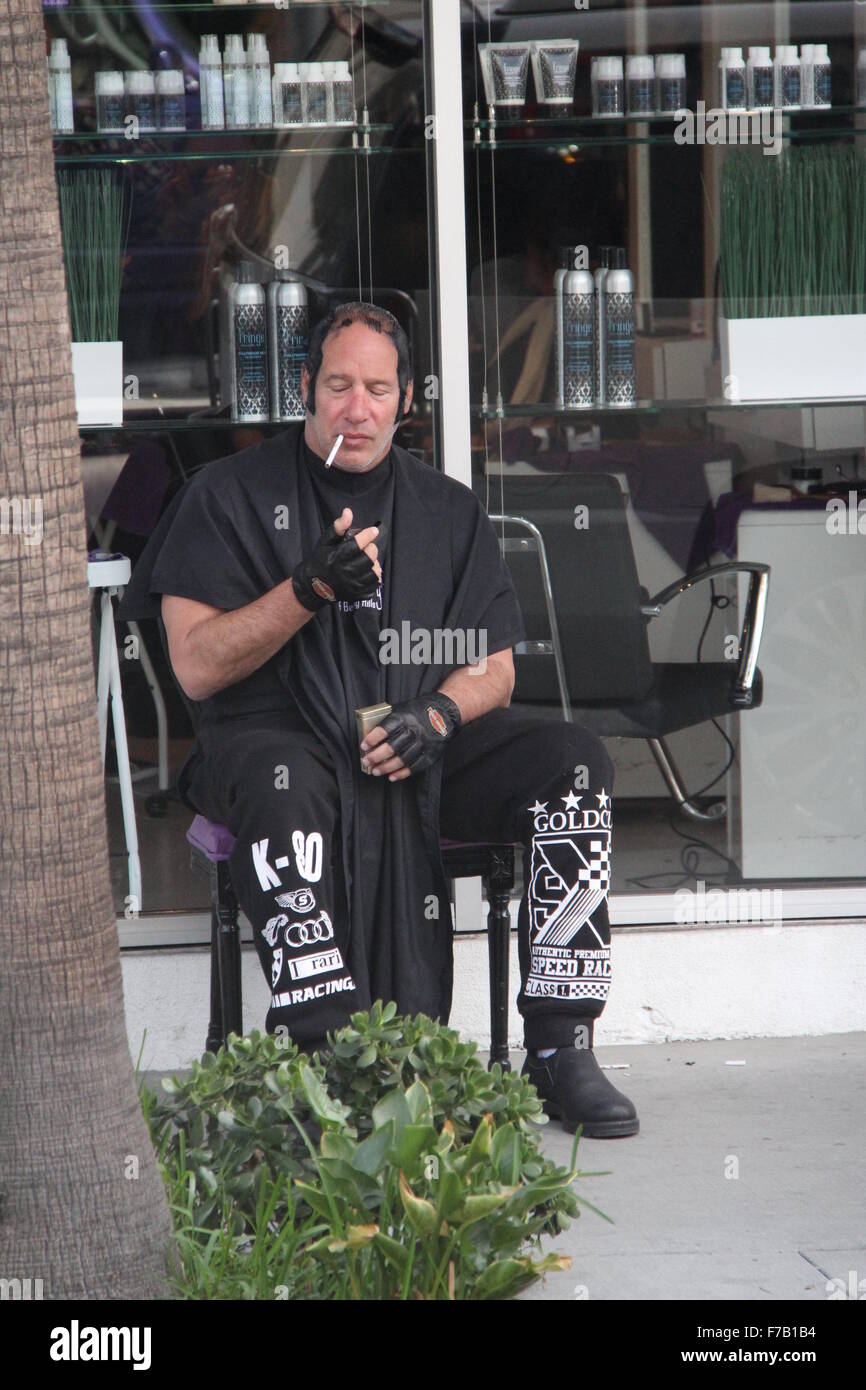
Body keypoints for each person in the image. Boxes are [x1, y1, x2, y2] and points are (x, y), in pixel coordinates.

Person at [122, 301, 638, 1139]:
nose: (355, 408)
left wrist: (437, 714)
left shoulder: (445, 509)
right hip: (278, 738)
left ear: (406, 400)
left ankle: (561, 1046)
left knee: (573, 764)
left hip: (414, 744)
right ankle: (335, 1056)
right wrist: (304, 590)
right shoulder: (223, 496)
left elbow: (495, 667)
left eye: (376, 388)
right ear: (303, 389)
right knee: (282, 786)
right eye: (336, 385)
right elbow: (195, 664)